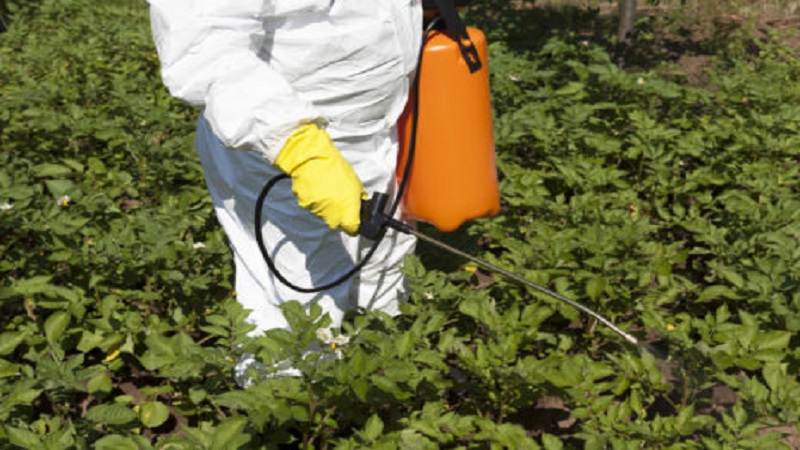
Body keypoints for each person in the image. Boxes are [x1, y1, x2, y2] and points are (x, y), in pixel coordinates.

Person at [147, 1, 421, 364]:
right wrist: (296, 145)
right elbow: (205, 42)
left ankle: (377, 383)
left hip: (381, 129)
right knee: (303, 301)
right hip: (277, 148)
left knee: (384, 263)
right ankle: (288, 406)